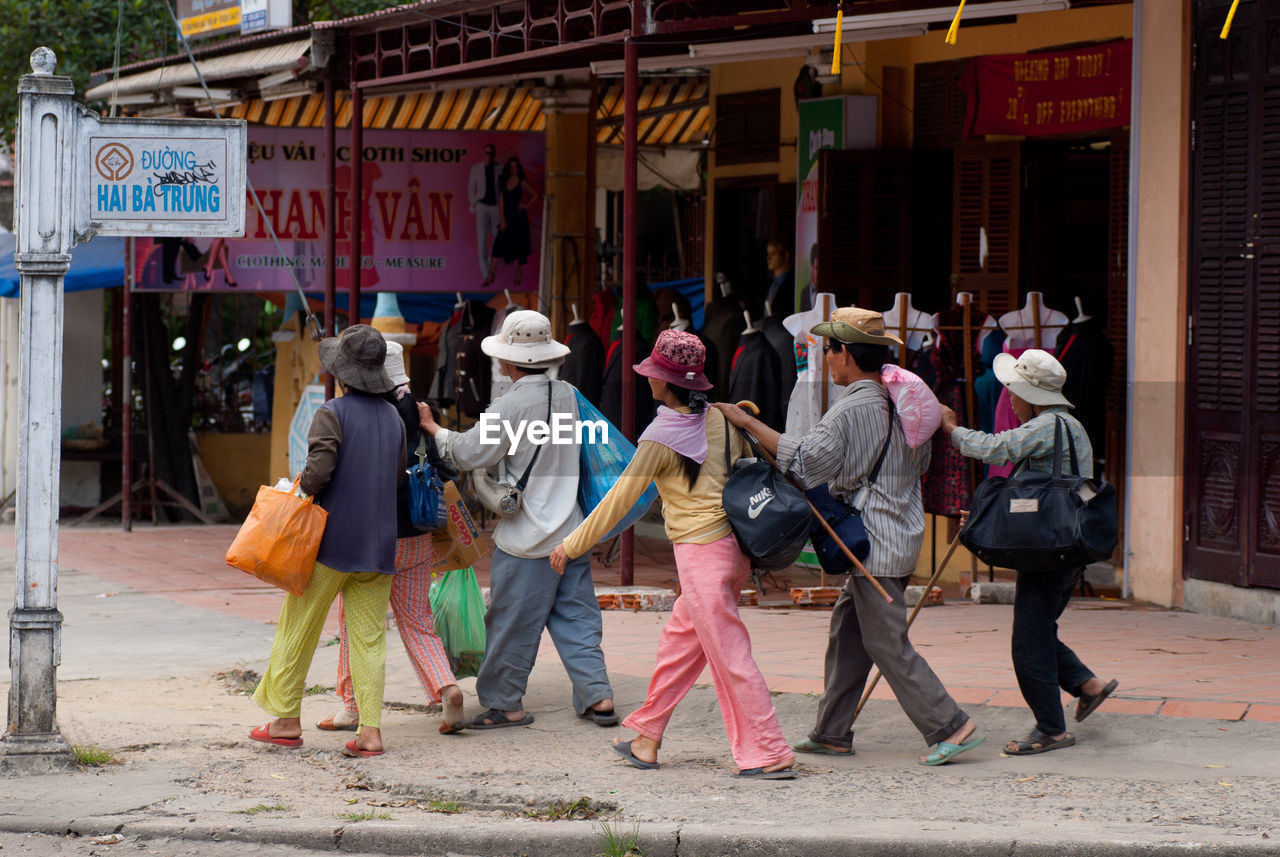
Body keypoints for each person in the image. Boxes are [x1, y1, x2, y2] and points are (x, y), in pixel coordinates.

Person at [715, 307, 984, 767]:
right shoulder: (902, 400)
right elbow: (919, 465)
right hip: (897, 530)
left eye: (829, 350)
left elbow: (804, 462)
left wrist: (747, 424)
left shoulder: (853, 407)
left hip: (872, 542)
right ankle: (832, 731)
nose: (825, 360)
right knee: (848, 634)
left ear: (845, 353)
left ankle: (949, 724)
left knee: (886, 642)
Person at [550, 330, 795, 780]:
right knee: (680, 645)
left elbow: (620, 501)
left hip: (702, 556)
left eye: (652, 374)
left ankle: (768, 750)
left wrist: (572, 543)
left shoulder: (661, 436)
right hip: (732, 551)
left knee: (730, 656)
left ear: (664, 382)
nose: (647, 380)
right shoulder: (724, 419)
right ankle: (647, 735)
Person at [419, 310, 617, 730]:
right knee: (578, 618)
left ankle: (506, 704)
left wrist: (433, 428)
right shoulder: (568, 394)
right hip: (573, 531)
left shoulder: (509, 405)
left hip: (527, 539)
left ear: (508, 362)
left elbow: (469, 453)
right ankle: (598, 695)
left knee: (510, 623)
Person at [940, 348, 1118, 755]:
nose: (1011, 401)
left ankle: (1051, 728)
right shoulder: (1072, 428)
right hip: (1063, 547)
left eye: (1014, 394)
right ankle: (1086, 685)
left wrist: (951, 429)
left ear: (1032, 396)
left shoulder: (1048, 425)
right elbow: (1041, 494)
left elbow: (995, 450)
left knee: (1028, 643)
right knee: (1039, 629)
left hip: (1050, 551)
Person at [249, 324, 404, 757]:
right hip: (379, 548)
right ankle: (370, 732)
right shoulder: (394, 417)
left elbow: (318, 473)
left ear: (342, 373)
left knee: (298, 629)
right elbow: (395, 479)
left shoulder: (332, 412)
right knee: (370, 640)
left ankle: (283, 720)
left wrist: (300, 488)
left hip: (331, 546)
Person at [318, 342, 465, 738]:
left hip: (377, 537)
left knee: (356, 621)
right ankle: (446, 688)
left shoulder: (366, 413)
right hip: (418, 532)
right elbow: (445, 466)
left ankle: (351, 707)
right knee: (418, 621)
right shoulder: (419, 412)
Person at [485, 157, 538, 288]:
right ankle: (490, 274)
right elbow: (501, 203)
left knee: (521, 247)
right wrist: (503, 220)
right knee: (498, 245)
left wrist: (525, 205)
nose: (513, 169)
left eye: (515, 166)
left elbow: (534, 195)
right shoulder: (504, 182)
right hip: (508, 218)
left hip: (519, 218)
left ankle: (519, 274)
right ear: (509, 168)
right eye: (511, 167)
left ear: (518, 168)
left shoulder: (521, 182)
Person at [468, 143, 503, 279]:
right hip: (482, 205)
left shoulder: (500, 168)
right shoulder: (476, 168)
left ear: (494, 154)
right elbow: (471, 188)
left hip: (495, 206)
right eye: (486, 153)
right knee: (482, 238)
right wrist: (474, 204)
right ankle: (485, 272)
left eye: (491, 153)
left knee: (497, 238)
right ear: (484, 154)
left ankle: (490, 265)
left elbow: (503, 188)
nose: (489, 156)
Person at [763, 238, 794, 319]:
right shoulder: (768, 284)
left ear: (786, 255)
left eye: (773, 254)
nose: (768, 258)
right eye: (768, 254)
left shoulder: (793, 283)